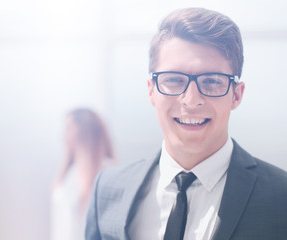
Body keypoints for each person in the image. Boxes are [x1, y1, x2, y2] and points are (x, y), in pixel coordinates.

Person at [85, 8, 287, 240]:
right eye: (174, 80)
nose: (191, 101)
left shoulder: (281, 197)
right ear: (151, 91)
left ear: (236, 95)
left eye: (211, 81)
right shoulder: (108, 190)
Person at [51, 108, 115, 240]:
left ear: (83, 130)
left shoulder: (108, 172)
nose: (63, 136)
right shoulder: (69, 175)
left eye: (68, 128)